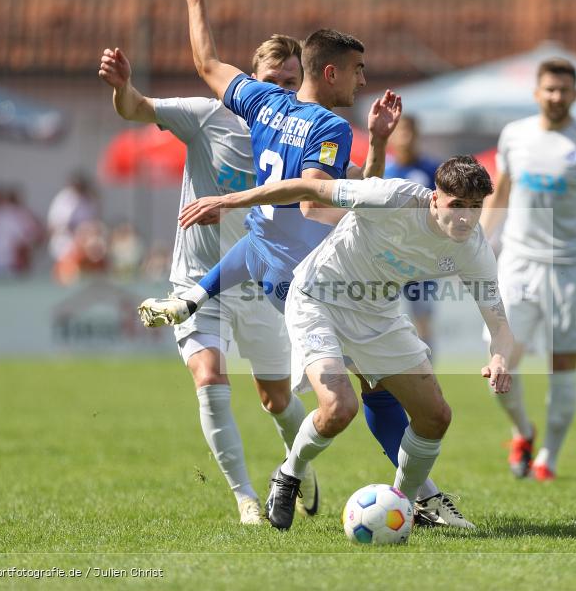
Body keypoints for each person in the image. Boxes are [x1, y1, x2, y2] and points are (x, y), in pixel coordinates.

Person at [140, 0, 474, 528]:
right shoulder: (330, 129)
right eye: (358, 71)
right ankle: (411, 497)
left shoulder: (266, 102)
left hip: (277, 264)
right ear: (331, 72)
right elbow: (319, 195)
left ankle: (420, 497)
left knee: (374, 388)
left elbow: (206, 62)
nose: (363, 81)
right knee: (360, 396)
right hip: (316, 282)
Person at [178, 155, 514, 530]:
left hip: (378, 314)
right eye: (457, 205)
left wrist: (499, 356)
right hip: (317, 299)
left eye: (475, 207)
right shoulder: (392, 198)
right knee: (339, 408)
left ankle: (402, 506)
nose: (466, 217)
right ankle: (289, 474)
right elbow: (309, 188)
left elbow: (498, 322)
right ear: (435, 198)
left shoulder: (472, 247)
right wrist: (229, 201)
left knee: (436, 416)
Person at [99, 39, 306, 524]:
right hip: (196, 281)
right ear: (247, 82)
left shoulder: (304, 135)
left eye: (291, 83)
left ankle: (299, 468)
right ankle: (246, 499)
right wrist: (124, 87)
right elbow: (135, 109)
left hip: (260, 285)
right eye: (271, 81)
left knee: (276, 399)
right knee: (209, 377)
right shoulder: (207, 116)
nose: (280, 91)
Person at [480, 58, 576, 481]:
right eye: (550, 89)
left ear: (575, 94)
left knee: (563, 364)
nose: (557, 97)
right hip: (519, 261)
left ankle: (549, 459)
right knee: (499, 362)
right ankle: (523, 431)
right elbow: (500, 192)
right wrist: (479, 245)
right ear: (536, 93)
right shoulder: (515, 136)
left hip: (573, 266)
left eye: (564, 90)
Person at [384, 116, 442, 354]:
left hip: (422, 259)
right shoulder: (385, 170)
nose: (405, 137)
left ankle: (428, 375)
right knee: (383, 318)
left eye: (409, 132)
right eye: (400, 132)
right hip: (387, 258)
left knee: (423, 320)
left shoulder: (432, 170)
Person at [47, 173, 101, 265]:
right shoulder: (63, 199)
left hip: (85, 245)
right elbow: (54, 226)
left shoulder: (89, 199)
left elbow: (93, 222)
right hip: (64, 243)